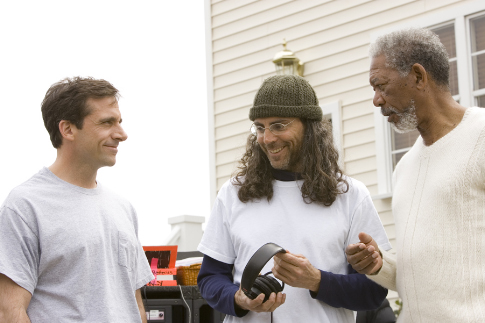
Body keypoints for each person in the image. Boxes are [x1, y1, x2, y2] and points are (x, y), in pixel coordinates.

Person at [197, 74, 392, 323]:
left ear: (310, 127)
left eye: (279, 125)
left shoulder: (351, 196)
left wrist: (316, 281)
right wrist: (239, 298)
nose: (267, 139)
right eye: (260, 127)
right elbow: (210, 279)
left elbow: (374, 291)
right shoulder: (233, 193)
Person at [345, 27, 485, 322]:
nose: (376, 100)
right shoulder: (404, 168)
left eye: (380, 85)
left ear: (418, 77)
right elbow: (420, 279)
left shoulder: (481, 137)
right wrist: (378, 264)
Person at [0, 77, 153, 322]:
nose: (122, 134)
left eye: (120, 122)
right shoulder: (25, 206)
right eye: (106, 122)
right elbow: (10, 312)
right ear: (68, 129)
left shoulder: (123, 209)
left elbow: (135, 305)